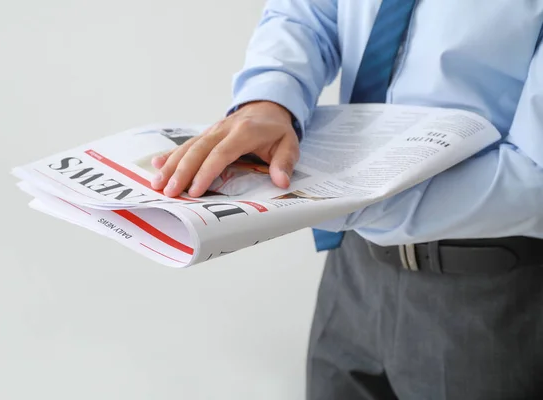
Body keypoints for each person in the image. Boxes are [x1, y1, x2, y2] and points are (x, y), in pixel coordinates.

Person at [151, 1, 543, 398]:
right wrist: (269, 101)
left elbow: (536, 177)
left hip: (489, 296)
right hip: (351, 270)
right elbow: (307, 14)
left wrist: (334, 199)